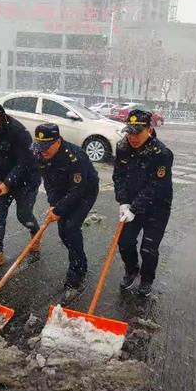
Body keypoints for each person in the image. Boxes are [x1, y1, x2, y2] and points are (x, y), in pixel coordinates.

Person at [31, 123, 99, 304]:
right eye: (40, 147)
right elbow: (49, 182)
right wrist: (54, 205)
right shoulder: (40, 154)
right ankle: (80, 258)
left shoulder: (76, 157)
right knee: (63, 232)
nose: (42, 151)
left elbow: (78, 189)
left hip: (85, 191)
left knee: (71, 227)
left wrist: (60, 209)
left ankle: (76, 270)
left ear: (58, 141)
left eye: (46, 147)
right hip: (62, 191)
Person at [113, 109, 173, 297]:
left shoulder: (161, 153)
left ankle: (147, 279)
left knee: (148, 248)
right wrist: (123, 202)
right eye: (129, 132)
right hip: (131, 205)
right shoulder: (122, 147)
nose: (132, 137)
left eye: (137, 133)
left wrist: (135, 207)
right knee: (124, 242)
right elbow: (119, 176)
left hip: (157, 207)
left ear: (149, 129)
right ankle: (132, 270)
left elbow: (157, 187)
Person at [0, 102, 41, 266]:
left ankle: (35, 231)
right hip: (1, 178)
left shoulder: (18, 132)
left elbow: (24, 162)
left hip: (26, 178)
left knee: (23, 215)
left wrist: (8, 182)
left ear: (0, 119)